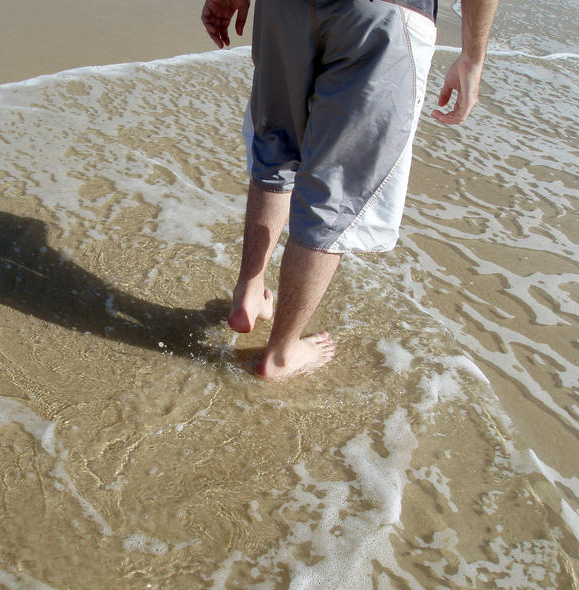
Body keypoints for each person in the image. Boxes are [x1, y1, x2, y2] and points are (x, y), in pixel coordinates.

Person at [201, 0, 498, 379]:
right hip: (380, 14)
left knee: (275, 147)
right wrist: (473, 56)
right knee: (333, 190)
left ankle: (250, 290)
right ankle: (279, 356)